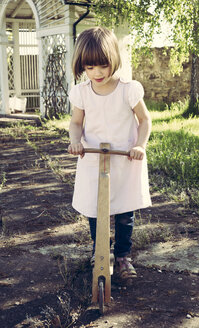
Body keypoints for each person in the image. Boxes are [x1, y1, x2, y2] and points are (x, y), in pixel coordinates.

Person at [68, 26, 152, 280]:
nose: (97, 72)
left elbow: (145, 120)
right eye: (89, 67)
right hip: (93, 158)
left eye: (102, 65)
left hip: (123, 159)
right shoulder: (81, 92)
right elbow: (76, 123)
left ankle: (124, 255)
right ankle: (100, 251)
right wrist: (75, 141)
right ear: (82, 66)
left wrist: (140, 145)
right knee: (95, 209)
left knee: (124, 211)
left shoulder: (128, 89)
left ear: (113, 60)